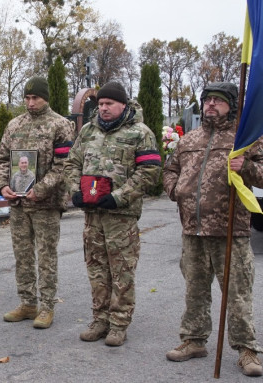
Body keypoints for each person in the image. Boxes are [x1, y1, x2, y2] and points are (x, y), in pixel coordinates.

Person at [163, 82, 263, 376]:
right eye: (207, 100)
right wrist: (175, 190)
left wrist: (246, 165)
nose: (211, 105)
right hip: (192, 230)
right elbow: (170, 169)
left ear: (231, 105)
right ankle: (193, 340)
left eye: (218, 101)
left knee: (237, 294)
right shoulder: (189, 139)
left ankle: (247, 349)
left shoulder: (246, 140)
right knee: (194, 290)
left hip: (231, 230)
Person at [64, 81, 161, 346]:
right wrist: (75, 190)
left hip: (122, 216)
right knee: (96, 269)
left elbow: (150, 172)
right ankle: (100, 319)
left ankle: (119, 323)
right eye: (101, 104)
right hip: (93, 215)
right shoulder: (88, 131)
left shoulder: (140, 133)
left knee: (122, 271)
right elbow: (72, 162)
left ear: (123, 105)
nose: (104, 108)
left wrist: (118, 197)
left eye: (109, 104)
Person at [0, 76, 74, 329]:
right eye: (27, 98)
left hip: (46, 204)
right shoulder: (14, 124)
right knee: (22, 255)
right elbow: (2, 161)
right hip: (19, 204)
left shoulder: (60, 125)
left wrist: (40, 189)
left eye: (35, 98)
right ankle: (28, 303)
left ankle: (47, 306)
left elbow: (64, 165)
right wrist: (3, 186)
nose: (30, 103)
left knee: (46, 256)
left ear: (45, 98)